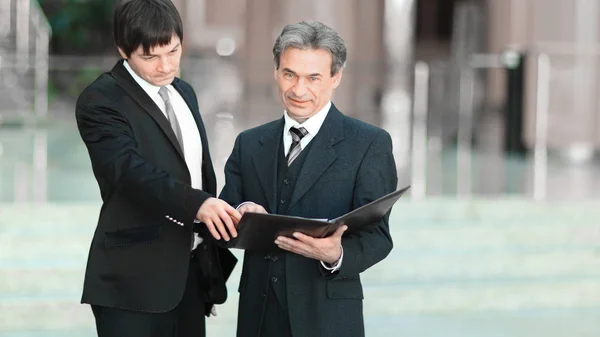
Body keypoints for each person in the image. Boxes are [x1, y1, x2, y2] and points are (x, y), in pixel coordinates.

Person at [219, 21, 398, 337]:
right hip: (258, 317)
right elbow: (225, 212)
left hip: (327, 318)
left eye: (313, 78)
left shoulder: (369, 143)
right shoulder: (249, 143)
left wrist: (336, 255)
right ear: (276, 72)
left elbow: (378, 236)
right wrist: (242, 213)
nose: (298, 90)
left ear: (335, 77)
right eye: (290, 74)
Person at [75, 0, 241, 336]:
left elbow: (197, 170)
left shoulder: (185, 92)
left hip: (192, 277)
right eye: (149, 56)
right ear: (123, 49)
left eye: (173, 51)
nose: (165, 66)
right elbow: (128, 172)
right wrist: (198, 203)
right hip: (132, 282)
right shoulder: (101, 100)